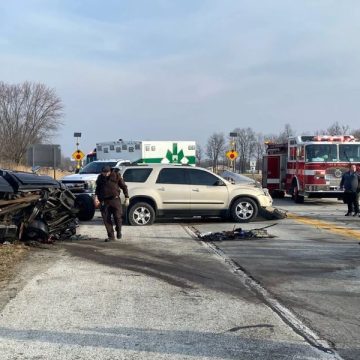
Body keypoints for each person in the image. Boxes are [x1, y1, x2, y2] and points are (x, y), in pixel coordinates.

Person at [95, 165, 129, 241]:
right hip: (104, 201)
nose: (105, 174)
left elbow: (124, 186)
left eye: (106, 172)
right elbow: (97, 188)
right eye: (103, 172)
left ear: (110, 171)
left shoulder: (116, 176)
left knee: (118, 217)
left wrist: (127, 197)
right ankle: (111, 236)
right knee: (106, 219)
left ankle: (119, 230)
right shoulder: (100, 178)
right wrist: (96, 198)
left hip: (115, 200)